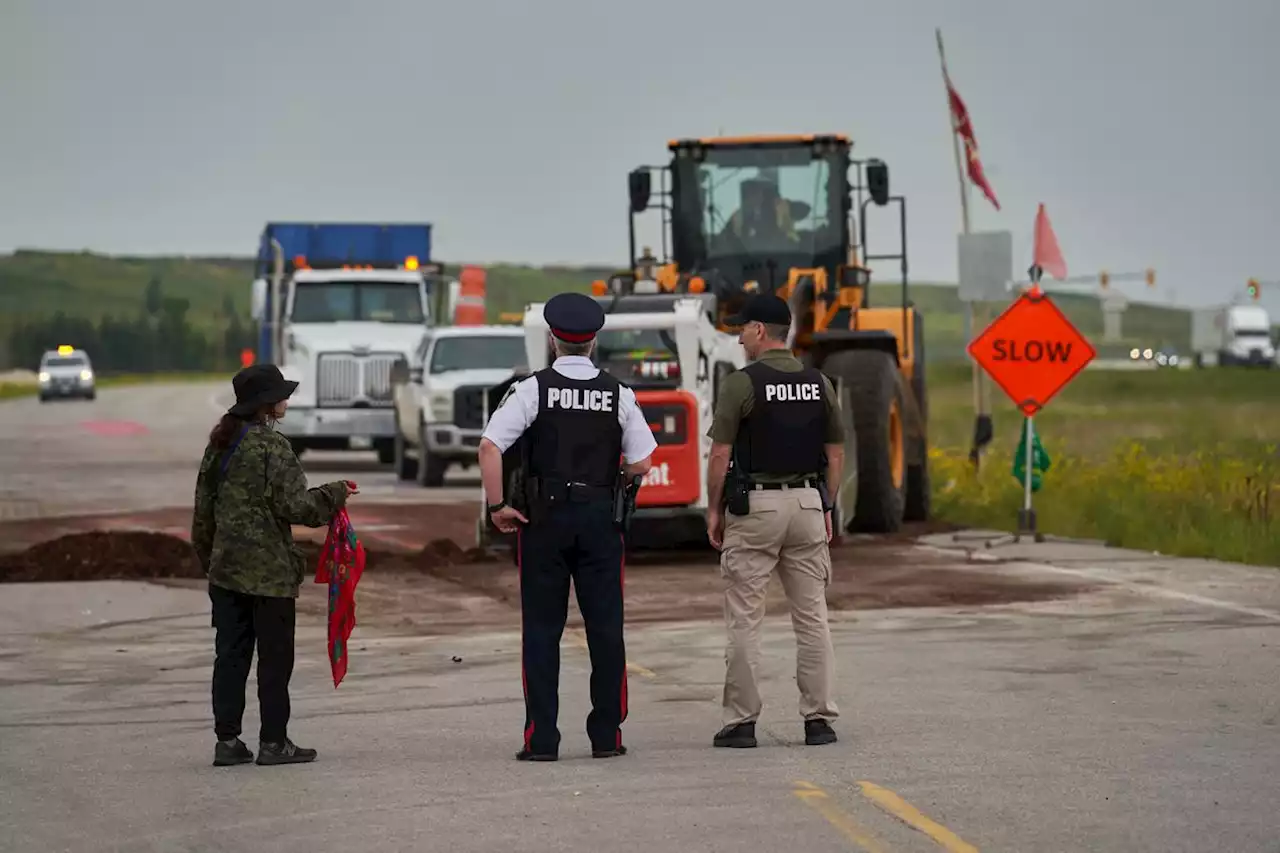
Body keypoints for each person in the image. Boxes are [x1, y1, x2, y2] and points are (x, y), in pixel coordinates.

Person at [478, 291, 657, 762]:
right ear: (593, 341)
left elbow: (490, 447)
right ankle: (606, 737)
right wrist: (616, 474)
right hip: (600, 520)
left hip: (545, 520)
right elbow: (642, 462)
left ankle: (541, 740)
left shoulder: (532, 390)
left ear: (554, 340)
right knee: (606, 629)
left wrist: (497, 505)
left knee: (541, 631)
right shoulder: (619, 393)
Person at [191, 363, 357, 767]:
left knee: (230, 657)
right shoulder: (272, 447)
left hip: (226, 572)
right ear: (267, 404)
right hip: (270, 578)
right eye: (283, 393)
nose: (287, 399)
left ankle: (227, 742)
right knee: (274, 659)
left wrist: (210, 561)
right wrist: (334, 494)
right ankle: (273, 742)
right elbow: (297, 507)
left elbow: (202, 513)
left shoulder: (220, 444)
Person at [703, 293, 845, 749]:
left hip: (755, 508)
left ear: (761, 331)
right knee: (812, 617)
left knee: (745, 618)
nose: (739, 336)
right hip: (807, 504)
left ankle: (742, 722)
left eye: (743, 329)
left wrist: (712, 508)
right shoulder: (818, 382)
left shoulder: (742, 383)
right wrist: (825, 505)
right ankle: (819, 720)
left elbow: (720, 452)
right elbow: (836, 453)